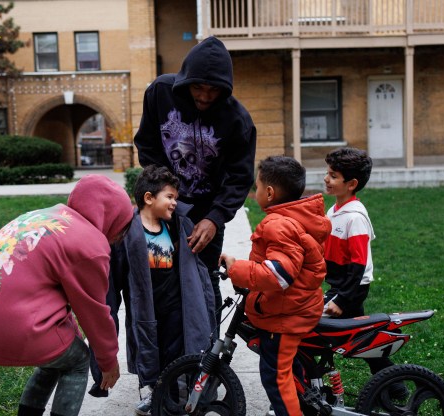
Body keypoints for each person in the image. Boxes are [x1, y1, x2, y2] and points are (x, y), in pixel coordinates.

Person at [0, 175, 133, 416]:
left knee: (58, 356)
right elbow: (95, 313)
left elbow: (65, 297)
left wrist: (73, 335)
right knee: (78, 360)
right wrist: (108, 362)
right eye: (121, 229)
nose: (118, 238)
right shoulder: (90, 245)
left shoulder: (46, 215)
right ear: (111, 217)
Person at [134, 36, 257, 325]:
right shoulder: (160, 92)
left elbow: (240, 177)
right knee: (161, 279)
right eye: (198, 87)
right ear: (186, 80)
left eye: (213, 91)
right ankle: (171, 350)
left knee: (205, 280)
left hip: (206, 210)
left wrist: (215, 219)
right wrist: (162, 193)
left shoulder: (238, 120)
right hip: (163, 206)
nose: (203, 96)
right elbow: (147, 145)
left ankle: (205, 356)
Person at [89, 165, 216, 415]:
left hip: (175, 307)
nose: (174, 203)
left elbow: (192, 265)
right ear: (149, 198)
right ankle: (154, 394)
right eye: (169, 197)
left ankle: (171, 400)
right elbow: (113, 280)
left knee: (173, 357)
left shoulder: (176, 226)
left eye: (175, 199)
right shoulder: (126, 232)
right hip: (145, 310)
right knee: (149, 356)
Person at [220, 156, 332, 416]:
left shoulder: (279, 224)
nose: (254, 191)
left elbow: (279, 275)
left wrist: (237, 269)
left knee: (276, 379)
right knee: (288, 372)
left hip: (285, 316)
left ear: (269, 193)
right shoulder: (293, 219)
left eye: (257, 186)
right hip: (291, 307)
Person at [323, 147, 407, 398]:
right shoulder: (334, 211)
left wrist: (341, 299)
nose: (327, 179)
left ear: (351, 184)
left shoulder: (355, 217)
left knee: (315, 333)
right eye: (328, 173)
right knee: (363, 341)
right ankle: (395, 385)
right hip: (340, 287)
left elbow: (358, 265)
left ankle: (311, 385)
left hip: (351, 289)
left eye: (334, 176)